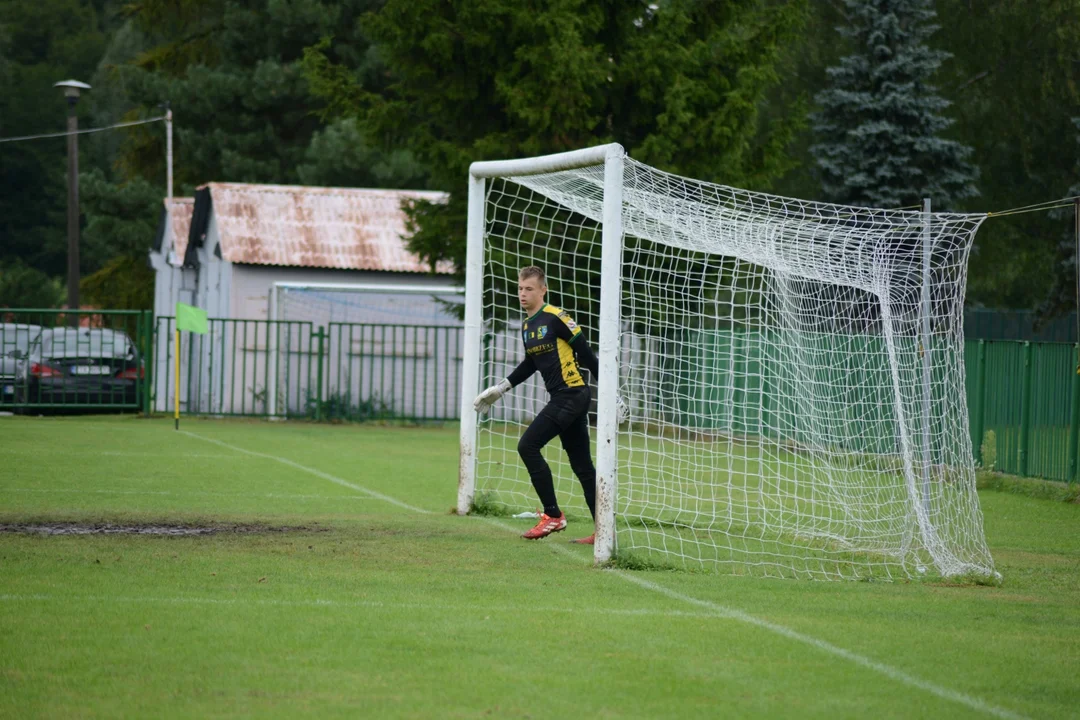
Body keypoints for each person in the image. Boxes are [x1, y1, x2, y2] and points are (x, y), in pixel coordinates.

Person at [473, 266, 601, 543]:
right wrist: (501, 388)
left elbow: (587, 355)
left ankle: (553, 516)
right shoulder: (527, 325)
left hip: (573, 394)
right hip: (563, 397)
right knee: (582, 466)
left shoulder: (557, 317)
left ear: (543, 290)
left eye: (529, 288)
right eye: (520, 288)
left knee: (527, 446)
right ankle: (603, 531)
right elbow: (531, 363)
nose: (523, 293)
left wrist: (613, 394)